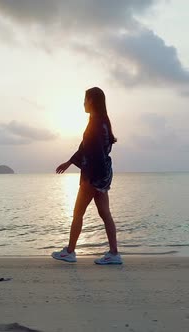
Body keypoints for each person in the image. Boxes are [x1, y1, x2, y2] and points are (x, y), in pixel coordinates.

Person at [52, 87, 122, 265]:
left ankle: (70, 251)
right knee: (105, 213)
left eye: (85, 99)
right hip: (103, 173)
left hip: (94, 174)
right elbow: (85, 147)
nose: (83, 103)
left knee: (78, 212)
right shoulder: (102, 121)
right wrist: (69, 162)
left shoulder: (96, 123)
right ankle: (114, 254)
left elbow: (94, 152)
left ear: (91, 100)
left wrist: (90, 180)